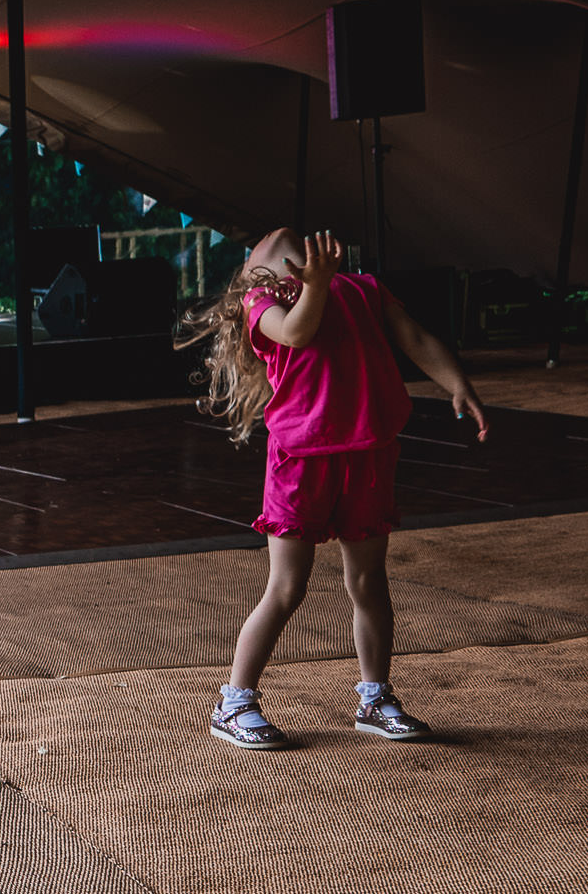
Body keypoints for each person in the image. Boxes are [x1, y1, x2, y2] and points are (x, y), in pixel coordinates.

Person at [181, 227, 487, 749]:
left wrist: (458, 382)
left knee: (368, 581)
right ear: (262, 271)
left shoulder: (362, 289)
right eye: (278, 252)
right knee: (286, 588)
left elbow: (413, 336)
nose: (289, 245)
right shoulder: (262, 303)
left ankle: (375, 698)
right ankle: (234, 703)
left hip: (367, 453)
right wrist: (314, 287)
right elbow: (298, 333)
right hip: (301, 462)